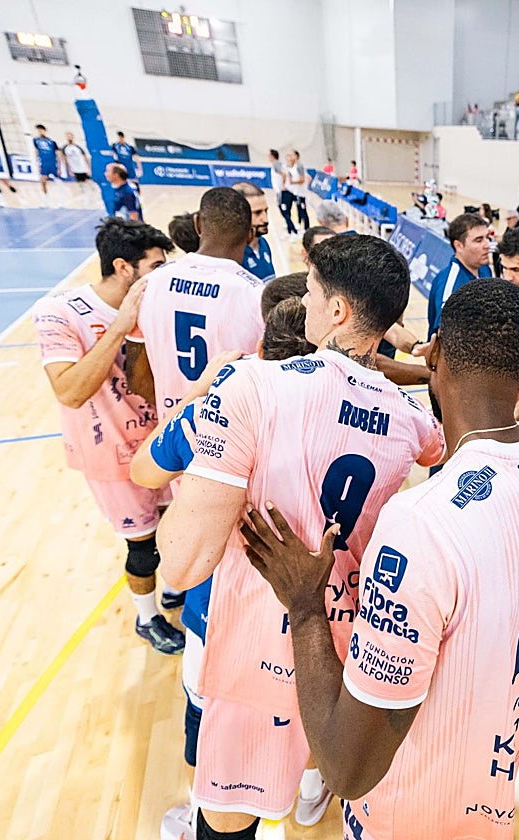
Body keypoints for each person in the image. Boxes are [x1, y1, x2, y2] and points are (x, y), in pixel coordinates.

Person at [240, 278, 519, 838]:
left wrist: (305, 606)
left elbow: (347, 768)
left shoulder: (421, 522)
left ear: (434, 354)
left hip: (411, 806)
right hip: (491, 773)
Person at [156, 234, 445, 840]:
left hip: (255, 640)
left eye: (313, 290)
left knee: (228, 817)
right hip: (343, 643)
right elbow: (439, 447)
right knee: (312, 772)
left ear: (338, 310)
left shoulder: (253, 388)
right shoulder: (408, 416)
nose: (305, 301)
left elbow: (181, 567)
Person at [130, 299, 316, 840]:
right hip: (309, 617)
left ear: (262, 347)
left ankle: (206, 812)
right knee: (296, 721)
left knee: (209, 719)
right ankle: (299, 800)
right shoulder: (364, 412)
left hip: (221, 616)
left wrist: (198, 391)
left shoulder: (227, 402)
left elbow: (145, 470)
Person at [30, 218, 184, 654]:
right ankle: (147, 617)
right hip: (109, 454)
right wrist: (123, 323)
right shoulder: (58, 312)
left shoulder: (160, 306)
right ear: (123, 267)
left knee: (174, 527)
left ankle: (173, 590)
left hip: (160, 443)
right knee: (142, 545)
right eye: (155, 266)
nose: (163, 276)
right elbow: (71, 391)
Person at [125, 187, 264, 414]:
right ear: (250, 234)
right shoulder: (256, 294)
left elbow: (137, 379)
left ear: (197, 224)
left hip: (171, 434)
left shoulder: (150, 284)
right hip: (230, 435)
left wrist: (177, 412)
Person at [426, 213, 491, 339]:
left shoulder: (484, 269)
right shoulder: (450, 285)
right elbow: (443, 337)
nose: (487, 245)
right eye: (478, 240)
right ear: (459, 246)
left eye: (487, 237)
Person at [232, 181, 275, 281]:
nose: (265, 219)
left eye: (266, 211)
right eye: (257, 213)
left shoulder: (263, 243)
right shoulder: (233, 255)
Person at [280, 150, 310, 234]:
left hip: (301, 193)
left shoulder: (299, 166)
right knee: (299, 210)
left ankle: (307, 228)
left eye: (292, 155)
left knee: (303, 211)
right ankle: (300, 226)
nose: (290, 157)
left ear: (296, 156)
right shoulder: (293, 167)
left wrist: (293, 182)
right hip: (296, 192)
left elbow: (303, 179)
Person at [61, 131, 94, 204]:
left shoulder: (78, 147)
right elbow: (65, 159)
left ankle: (92, 196)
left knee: (88, 182)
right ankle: (85, 197)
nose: (69, 138)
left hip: (83, 168)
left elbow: (85, 157)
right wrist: (69, 169)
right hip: (75, 169)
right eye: (67, 136)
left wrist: (89, 168)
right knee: (80, 183)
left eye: (70, 136)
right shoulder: (65, 148)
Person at [33, 124, 61, 206]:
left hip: (52, 163)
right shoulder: (36, 140)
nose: (40, 131)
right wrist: (37, 163)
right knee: (43, 181)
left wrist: (59, 166)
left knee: (57, 181)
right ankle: (46, 200)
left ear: (45, 131)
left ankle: (60, 200)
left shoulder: (52, 142)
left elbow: (58, 153)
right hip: (43, 164)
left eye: (41, 130)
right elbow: (36, 152)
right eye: (38, 130)